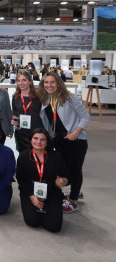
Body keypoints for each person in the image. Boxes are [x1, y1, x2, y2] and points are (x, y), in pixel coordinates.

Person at [39, 71, 90, 214]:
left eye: (52, 82)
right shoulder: (46, 99)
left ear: (59, 84)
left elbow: (86, 116)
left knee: (75, 168)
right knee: (66, 168)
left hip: (76, 140)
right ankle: (76, 190)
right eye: (46, 82)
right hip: (59, 140)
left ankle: (73, 200)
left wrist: (76, 132)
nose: (49, 85)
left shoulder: (69, 98)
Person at [16, 128, 70, 233]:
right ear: (31, 140)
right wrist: (31, 196)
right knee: (32, 222)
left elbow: (67, 176)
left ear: (47, 142)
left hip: (52, 192)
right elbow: (21, 180)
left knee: (53, 227)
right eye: (35, 138)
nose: (38, 142)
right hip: (30, 193)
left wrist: (63, 181)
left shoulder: (56, 157)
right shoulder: (23, 157)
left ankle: (49, 211)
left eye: (42, 139)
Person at [11, 70, 44, 153]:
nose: (21, 83)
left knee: (37, 158)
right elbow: (15, 112)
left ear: (30, 81)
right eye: (19, 81)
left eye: (24, 80)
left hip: (37, 133)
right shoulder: (15, 97)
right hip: (21, 133)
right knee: (23, 158)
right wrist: (14, 119)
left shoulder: (38, 96)